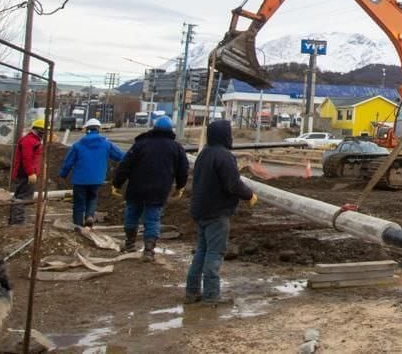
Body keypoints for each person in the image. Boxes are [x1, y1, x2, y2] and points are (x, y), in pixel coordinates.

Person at [186, 119, 256, 305]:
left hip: (201, 210)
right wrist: (249, 195)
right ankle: (211, 296)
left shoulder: (204, 154)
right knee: (214, 254)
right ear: (226, 136)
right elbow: (232, 184)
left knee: (201, 252)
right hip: (217, 212)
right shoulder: (224, 156)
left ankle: (192, 292)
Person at [113, 115, 189, 261]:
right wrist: (180, 187)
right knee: (153, 218)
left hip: (137, 187)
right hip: (159, 189)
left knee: (132, 213)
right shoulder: (176, 148)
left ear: (154, 128)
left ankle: (129, 244)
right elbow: (183, 170)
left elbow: (125, 165)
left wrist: (117, 184)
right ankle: (148, 250)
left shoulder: (141, 144)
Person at [59, 118, 125, 227]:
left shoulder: (78, 145)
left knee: (79, 203)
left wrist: (63, 174)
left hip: (80, 180)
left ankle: (78, 225)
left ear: (86, 129)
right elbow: (121, 156)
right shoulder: (106, 144)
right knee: (92, 198)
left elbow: (68, 162)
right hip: (96, 179)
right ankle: (89, 215)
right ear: (98, 129)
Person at [9, 119, 46, 225]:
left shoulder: (34, 140)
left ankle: (16, 220)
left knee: (21, 196)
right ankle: (18, 222)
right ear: (39, 130)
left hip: (28, 173)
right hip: (25, 174)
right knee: (22, 197)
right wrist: (30, 173)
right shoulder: (29, 141)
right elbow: (27, 158)